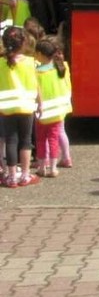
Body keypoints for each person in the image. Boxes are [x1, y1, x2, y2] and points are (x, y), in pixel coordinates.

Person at [0, 27, 40, 187]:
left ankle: (11, 176)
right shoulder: (31, 62)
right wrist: (40, 102)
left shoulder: (1, 63)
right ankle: (25, 175)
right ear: (24, 43)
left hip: (6, 107)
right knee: (25, 141)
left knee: (11, 140)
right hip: (26, 106)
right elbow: (36, 85)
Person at [34, 36, 71, 178]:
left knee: (41, 140)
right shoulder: (61, 67)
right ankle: (54, 168)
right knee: (54, 139)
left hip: (42, 112)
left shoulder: (37, 72)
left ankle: (42, 167)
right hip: (58, 111)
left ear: (41, 55)